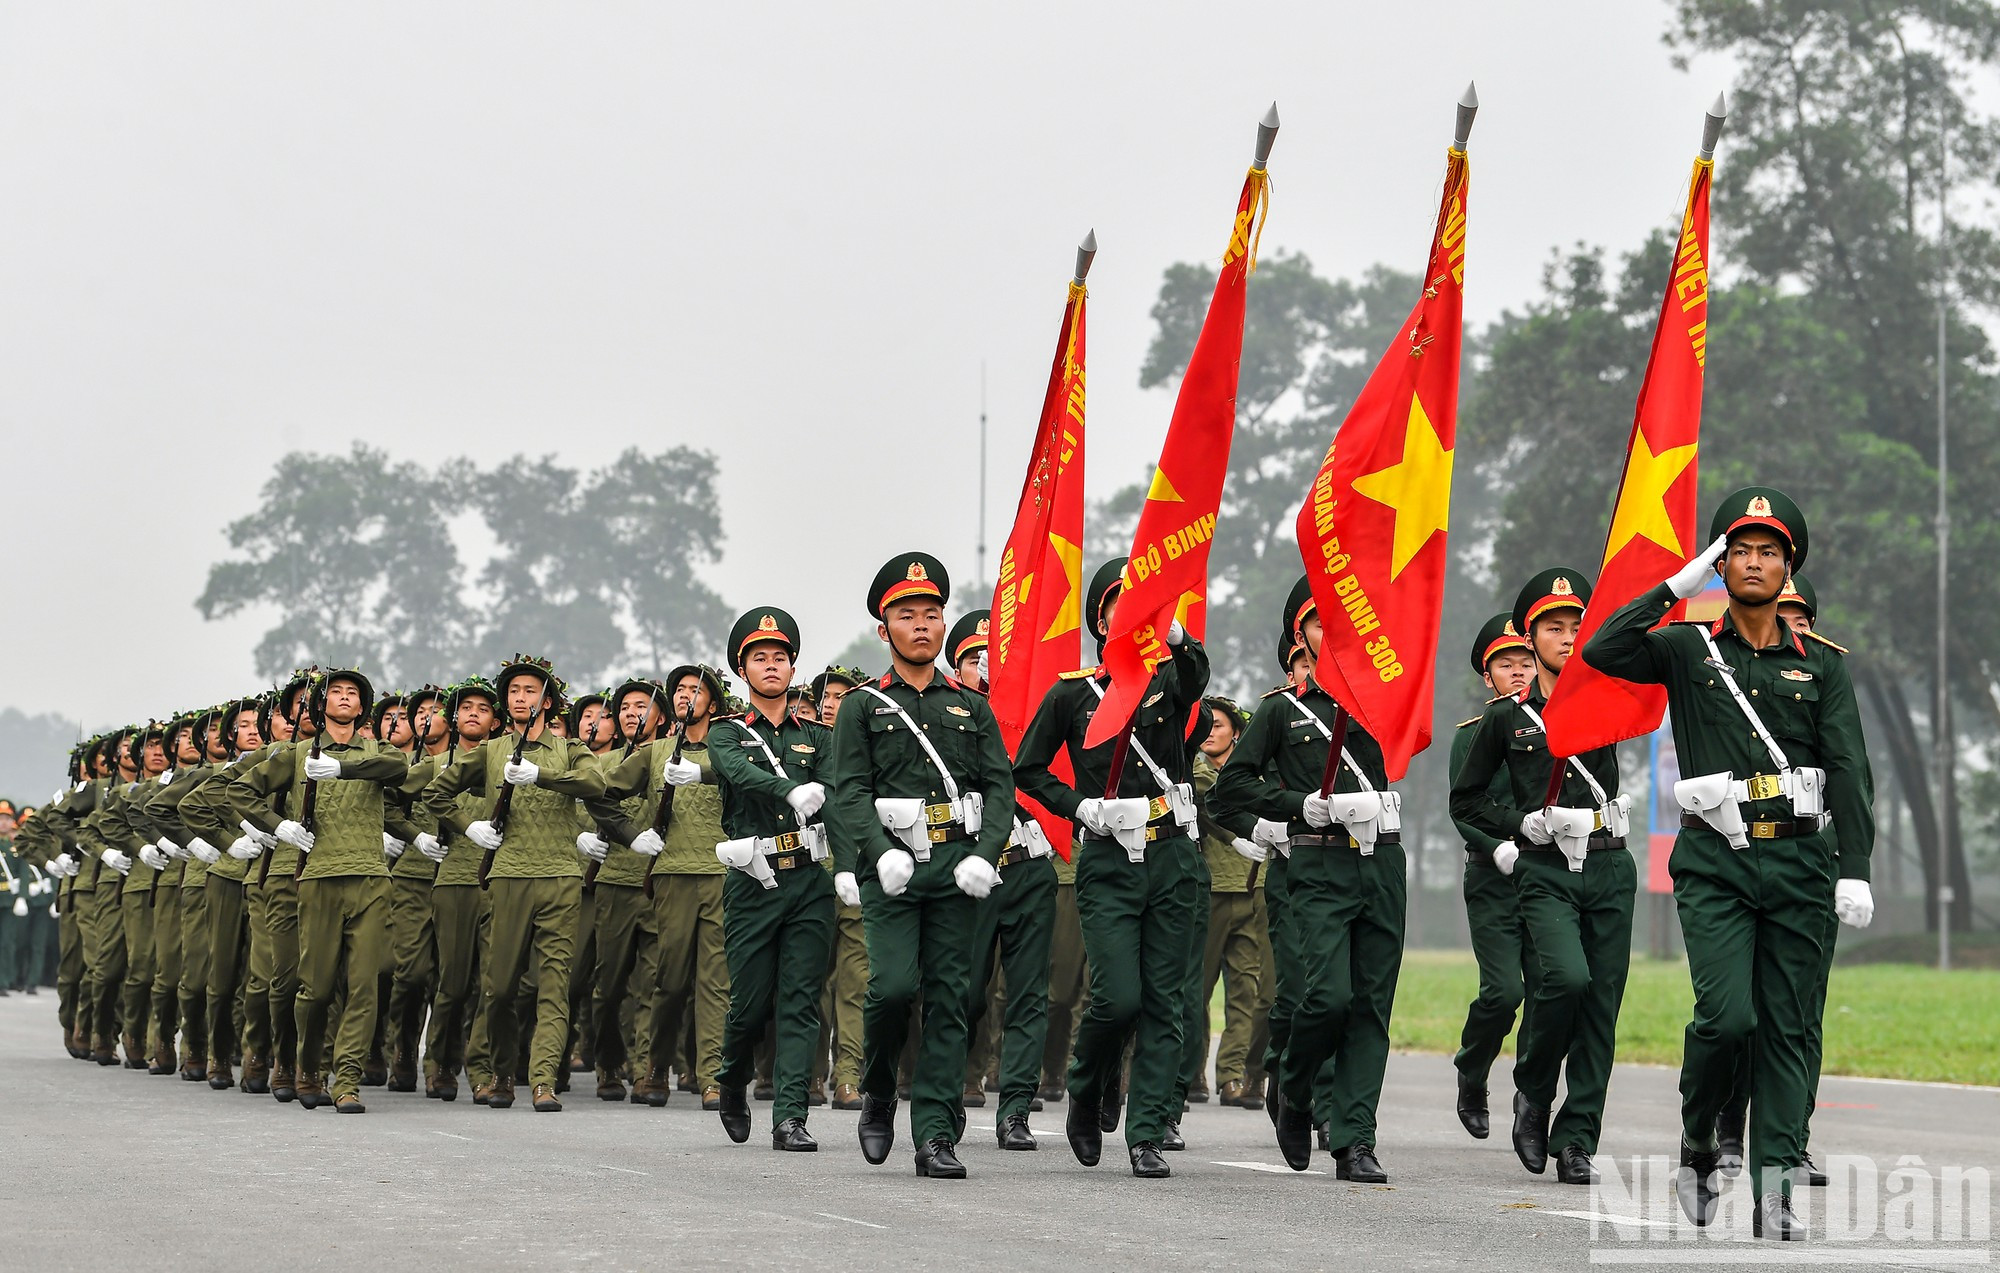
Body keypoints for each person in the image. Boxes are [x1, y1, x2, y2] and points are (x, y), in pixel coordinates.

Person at [1582, 488, 1874, 1240]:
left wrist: (1856, 866)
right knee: (1726, 1016)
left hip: (1802, 860)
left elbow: (1848, 768)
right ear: (1721, 563)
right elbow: (1603, 648)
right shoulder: (1687, 647)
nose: (1754, 562)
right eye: (1739, 550)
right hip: (1718, 860)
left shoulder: (1824, 667)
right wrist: (1678, 585)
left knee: (1782, 1026)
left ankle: (1776, 1189)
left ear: (1789, 567)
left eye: (1769, 551)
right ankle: (1700, 1134)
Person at [1014, 557, 1209, 1179]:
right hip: (1108, 858)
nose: (1130, 618)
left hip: (1173, 854)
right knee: (1117, 998)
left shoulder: (1167, 682)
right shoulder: (1074, 692)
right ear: (1099, 620)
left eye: (1142, 607)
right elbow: (1030, 768)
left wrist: (1175, 636)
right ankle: (1085, 1081)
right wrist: (1079, 808)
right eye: (1119, 607)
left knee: (1163, 1002)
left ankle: (1146, 1133)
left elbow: (1197, 678)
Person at [827, 553, 1015, 1178]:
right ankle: (879, 1088)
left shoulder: (971, 705)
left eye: (932, 615)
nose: (922, 626)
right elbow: (848, 791)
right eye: (906, 616)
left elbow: (998, 787)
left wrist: (984, 856)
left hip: (956, 870)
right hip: (894, 873)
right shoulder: (862, 707)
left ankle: (935, 1133)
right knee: (892, 991)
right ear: (885, 630)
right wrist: (878, 855)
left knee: (952, 997)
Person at [1211, 576, 1402, 1183]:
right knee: (1327, 998)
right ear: (1303, 634)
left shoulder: (1385, 696)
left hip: (1382, 858)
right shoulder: (1281, 710)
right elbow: (1235, 784)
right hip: (1316, 862)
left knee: (1371, 1007)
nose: (1335, 633)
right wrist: (1297, 804)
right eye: (1322, 623)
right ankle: (1293, 1084)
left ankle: (1356, 1140)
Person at [1451, 572, 1632, 1185]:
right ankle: (1533, 1088)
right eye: (1555, 628)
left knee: (1601, 1006)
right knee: (1566, 980)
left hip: (1609, 860)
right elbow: (1467, 802)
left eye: (1578, 626)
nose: (1568, 637)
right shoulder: (1507, 719)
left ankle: (1578, 1137)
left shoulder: (1612, 692)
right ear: (1532, 639)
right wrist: (1520, 823)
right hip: (1546, 868)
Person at [423, 656, 605, 1113]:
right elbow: (435, 793)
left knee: (553, 985)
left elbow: (595, 783)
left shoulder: (568, 749)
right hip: (506, 879)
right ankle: (501, 1072)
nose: (521, 698)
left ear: (549, 700)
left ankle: (543, 1081)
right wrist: (469, 827)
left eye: (530, 690)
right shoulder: (489, 751)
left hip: (561, 878)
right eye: (514, 692)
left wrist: (541, 776)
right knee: (500, 987)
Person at [229, 669, 413, 1112]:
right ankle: (307, 1067)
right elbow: (240, 790)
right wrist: (280, 826)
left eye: (354, 693)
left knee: (364, 985)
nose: (345, 699)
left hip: (370, 878)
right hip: (317, 879)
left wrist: (342, 767)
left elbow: (399, 767)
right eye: (336, 692)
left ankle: (346, 1079)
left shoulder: (376, 751)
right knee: (315, 988)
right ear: (320, 704)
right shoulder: (295, 755)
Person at [708, 608, 837, 1151]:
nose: (771, 666)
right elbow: (736, 772)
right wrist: (787, 790)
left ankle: (790, 1116)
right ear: (743, 669)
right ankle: (733, 1078)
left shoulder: (819, 736)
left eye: (780, 657)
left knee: (802, 999)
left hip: (808, 879)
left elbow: (837, 785)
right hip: (754, 882)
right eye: (759, 658)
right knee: (751, 1003)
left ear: (792, 667)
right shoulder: (727, 734)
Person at [592, 662, 732, 1110]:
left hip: (724, 874)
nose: (686, 696)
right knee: (669, 981)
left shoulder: (732, 747)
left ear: (713, 700)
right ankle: (655, 1064)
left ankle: (712, 1076)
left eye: (696, 689)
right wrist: (632, 835)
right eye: (680, 690)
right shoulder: (654, 754)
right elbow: (602, 794)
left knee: (715, 982)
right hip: (670, 876)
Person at [949, 608, 1058, 1152]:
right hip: (971, 873)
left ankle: (1014, 1108)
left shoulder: (1039, 714)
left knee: (1029, 993)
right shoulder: (948, 722)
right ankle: (949, 1095)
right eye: (974, 657)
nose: (987, 664)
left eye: (996, 655)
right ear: (957, 669)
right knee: (964, 993)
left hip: (1030, 868)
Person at [1447, 615, 1537, 1140]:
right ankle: (1472, 1068)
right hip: (1492, 874)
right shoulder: (1475, 734)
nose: (1519, 672)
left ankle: (1530, 1094)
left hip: (1547, 872)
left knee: (1548, 989)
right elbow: (1462, 809)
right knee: (1504, 991)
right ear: (1489, 677)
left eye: (1525, 662)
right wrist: (1495, 845)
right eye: (1506, 665)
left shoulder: (1553, 724)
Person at [414, 677, 499, 1103]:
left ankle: (480, 1068)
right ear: (453, 717)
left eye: (483, 709)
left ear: (495, 721)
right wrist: (413, 837)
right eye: (466, 707)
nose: (473, 714)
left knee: (492, 982)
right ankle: (440, 1063)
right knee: (452, 982)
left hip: (498, 880)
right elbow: (391, 799)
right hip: (452, 881)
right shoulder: (434, 765)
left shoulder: (505, 763)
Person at [1189, 697, 1270, 1113]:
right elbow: (1206, 806)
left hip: (1252, 888)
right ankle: (1191, 1072)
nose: (1209, 731)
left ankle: (1234, 1074)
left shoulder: (1254, 773)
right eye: (1204, 724)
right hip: (1210, 890)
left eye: (1218, 725)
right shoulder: (1194, 773)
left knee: (1247, 990)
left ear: (1236, 733)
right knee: (1197, 989)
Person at [812, 663, 871, 1110]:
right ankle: (810, 1073)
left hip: (860, 874)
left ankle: (848, 1075)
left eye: (842, 696)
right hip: (811, 876)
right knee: (810, 980)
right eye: (826, 697)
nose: (832, 704)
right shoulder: (798, 743)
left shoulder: (870, 744)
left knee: (855, 982)